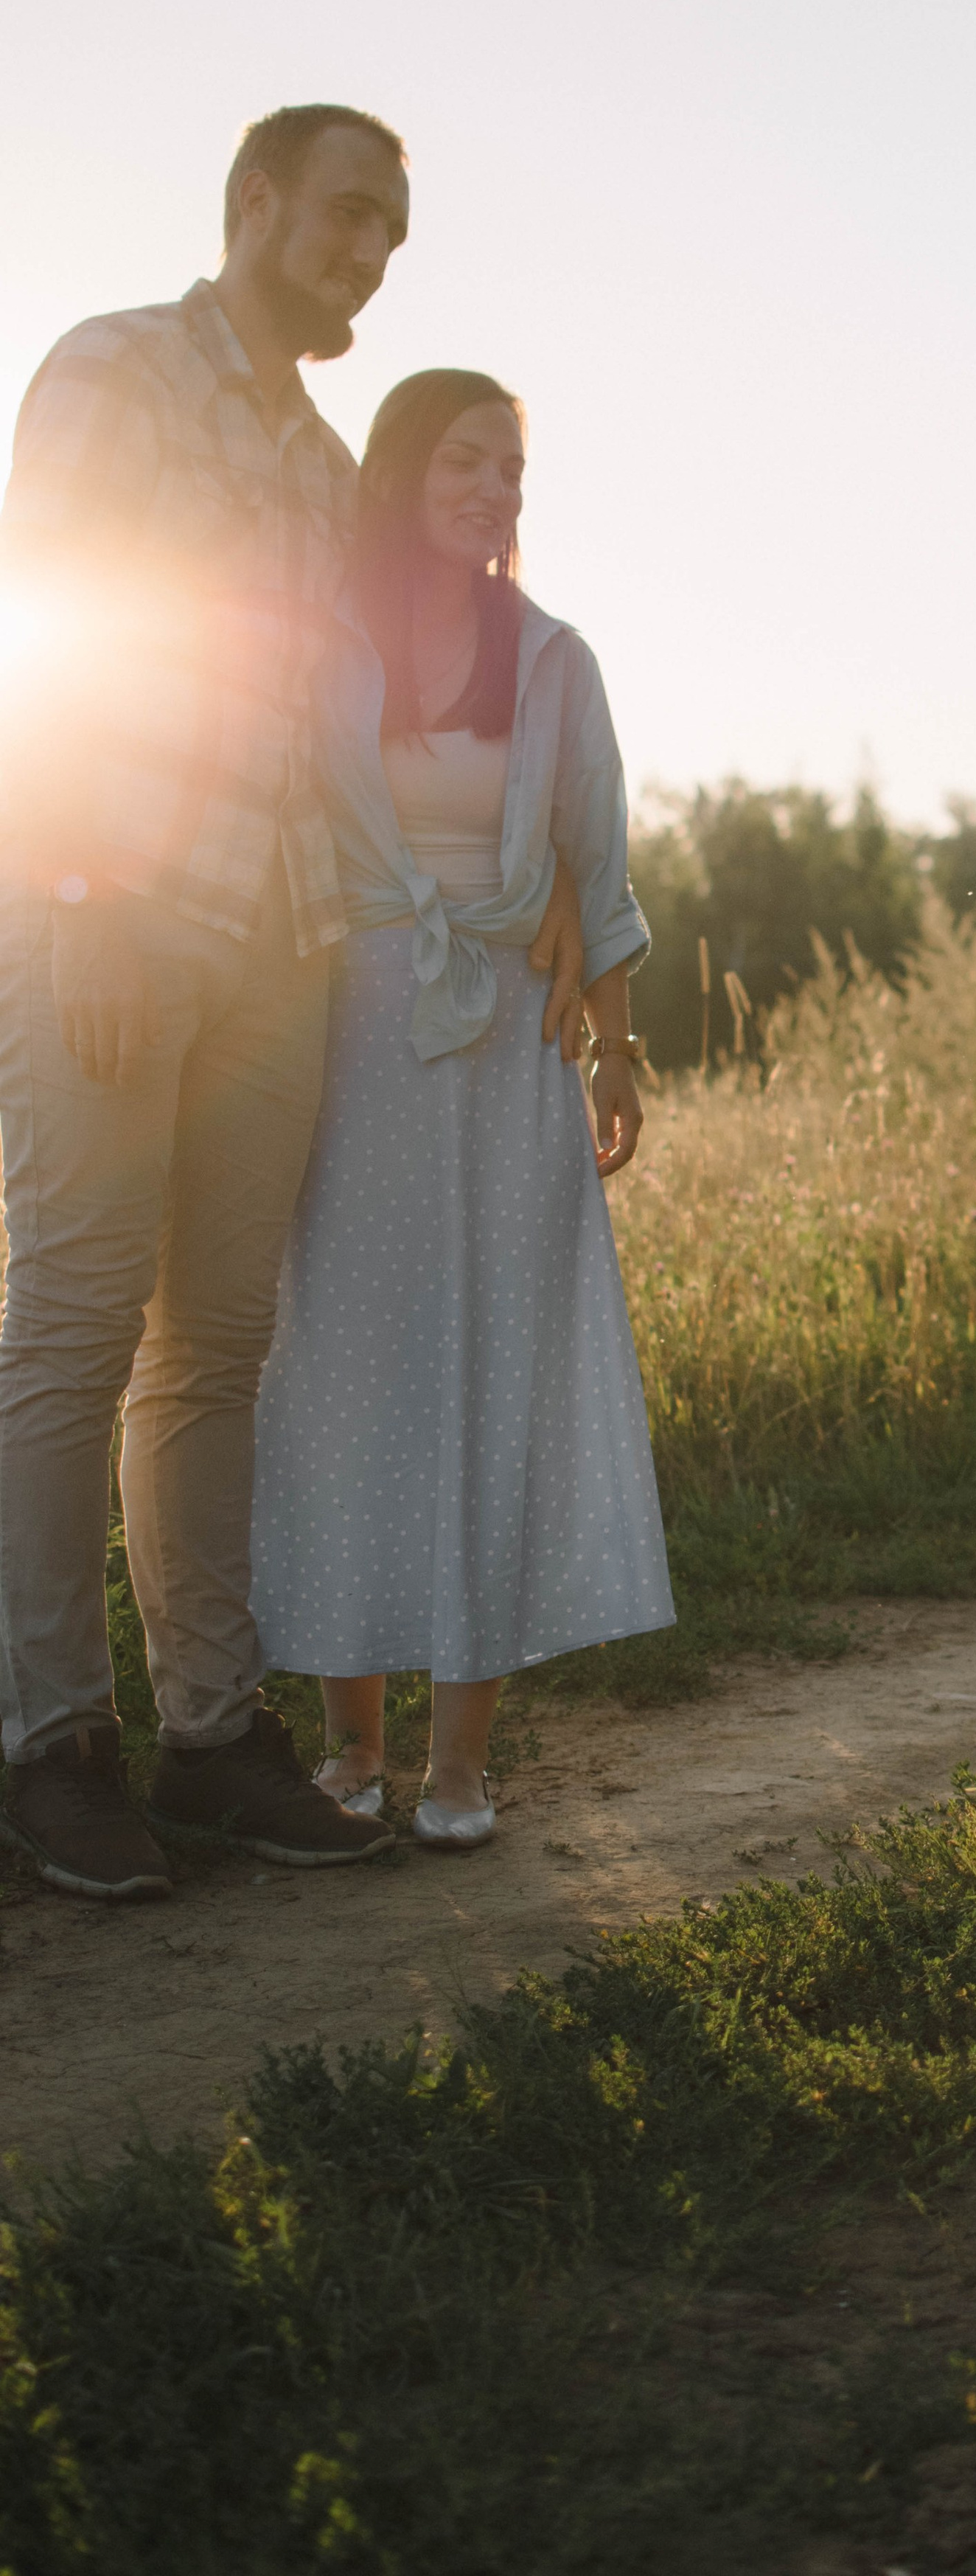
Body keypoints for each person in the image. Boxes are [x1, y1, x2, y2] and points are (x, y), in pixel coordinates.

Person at [0, 108, 586, 1903]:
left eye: (392, 233)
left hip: (278, 963)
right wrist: (79, 890)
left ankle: (209, 1729)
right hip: (110, 917)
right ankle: (42, 1745)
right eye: (348, 215)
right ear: (253, 203)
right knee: (77, 1317)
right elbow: (44, 621)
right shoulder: (116, 375)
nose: (370, 253)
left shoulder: (327, 461)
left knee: (216, 1348)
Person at [248, 369, 674, 1847]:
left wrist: (613, 1055)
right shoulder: (327, 639)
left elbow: (599, 863)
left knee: (491, 1378)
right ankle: (348, 1750)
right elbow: (279, 818)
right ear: (402, 471)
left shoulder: (554, 658)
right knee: (342, 1377)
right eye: (464, 460)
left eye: (512, 468)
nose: (493, 488)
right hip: (350, 1037)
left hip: (507, 1052)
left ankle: (462, 1764)